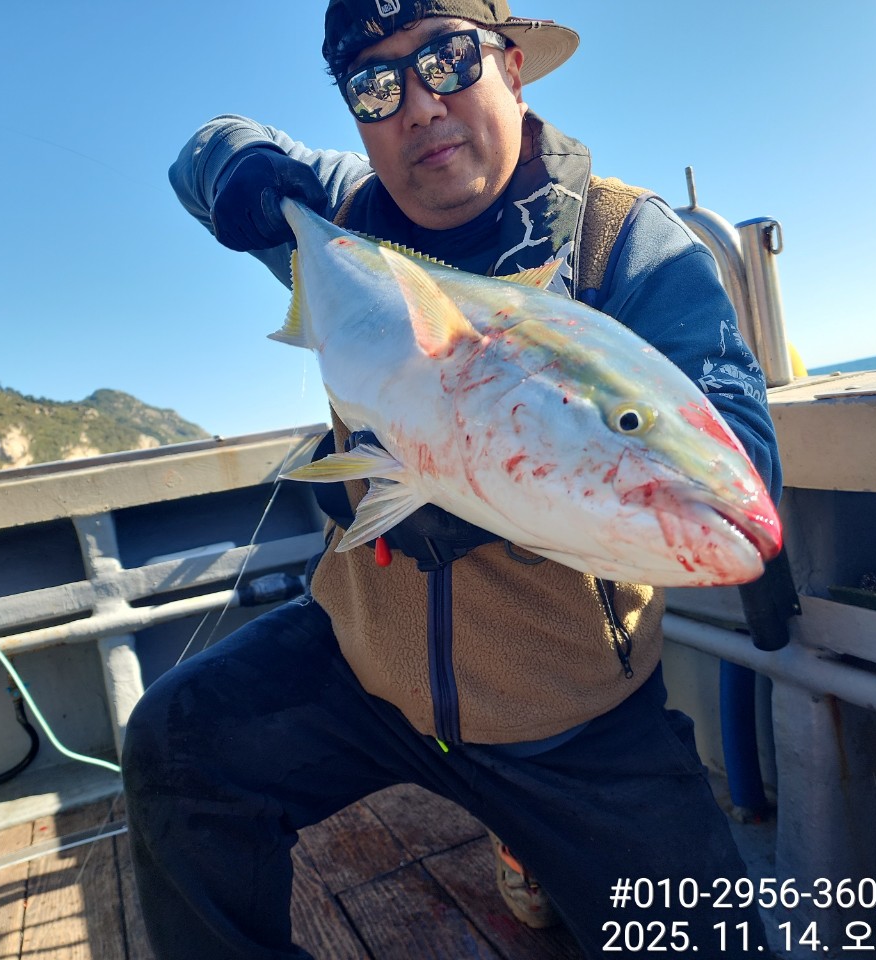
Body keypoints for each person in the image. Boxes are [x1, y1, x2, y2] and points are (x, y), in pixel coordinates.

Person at [122, 1, 782, 957]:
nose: (420, 106)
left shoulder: (624, 242)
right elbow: (202, 152)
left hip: (572, 718)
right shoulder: (340, 219)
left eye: (447, 60)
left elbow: (740, 456)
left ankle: (530, 842)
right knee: (178, 742)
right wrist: (237, 171)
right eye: (375, 86)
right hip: (367, 672)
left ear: (512, 68)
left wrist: (486, 498)